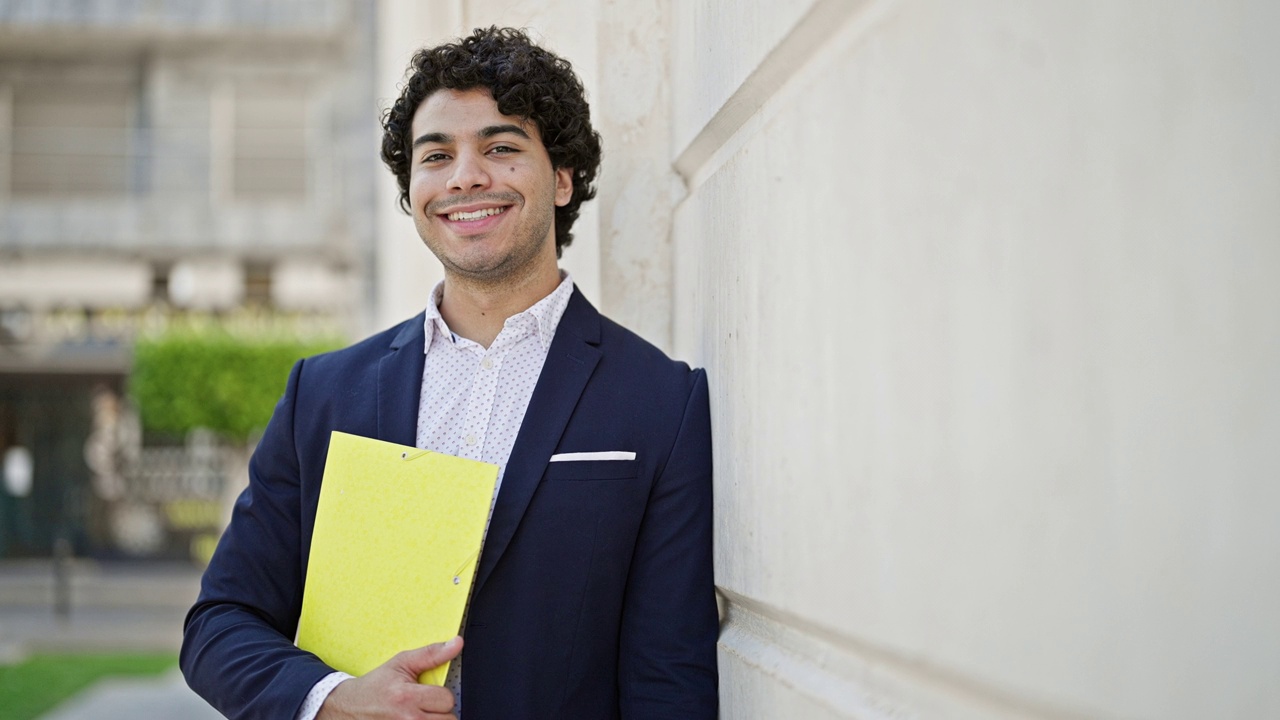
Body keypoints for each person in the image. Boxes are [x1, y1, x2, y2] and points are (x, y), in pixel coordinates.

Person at [180, 26, 718, 720]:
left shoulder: (660, 401)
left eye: (500, 147)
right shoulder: (324, 392)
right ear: (412, 190)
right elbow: (221, 622)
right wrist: (333, 699)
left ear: (561, 178)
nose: (465, 175)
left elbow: (668, 682)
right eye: (437, 155)